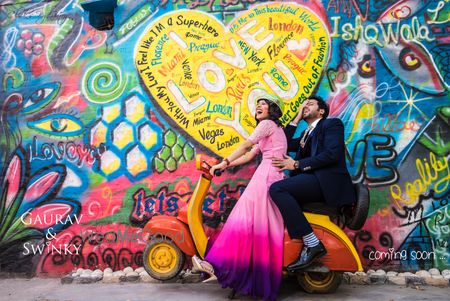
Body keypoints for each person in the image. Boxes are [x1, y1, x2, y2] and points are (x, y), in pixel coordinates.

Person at [192, 95, 287, 301]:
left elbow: (245, 146)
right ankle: (250, 275)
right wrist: (225, 165)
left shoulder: (267, 124)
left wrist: (222, 161)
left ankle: (220, 265)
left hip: (267, 175)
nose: (259, 107)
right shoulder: (271, 130)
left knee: (242, 220)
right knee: (260, 227)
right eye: (257, 105)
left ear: (272, 111)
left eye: (264, 104)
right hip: (271, 174)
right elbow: (249, 155)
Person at [269, 96, 356, 271]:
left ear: (321, 111)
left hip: (326, 182)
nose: (305, 106)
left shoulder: (331, 124)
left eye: (310, 104)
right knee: (275, 190)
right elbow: (281, 143)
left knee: (277, 189)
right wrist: (296, 119)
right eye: (304, 104)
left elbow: (332, 154)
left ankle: (312, 242)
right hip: (312, 181)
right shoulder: (306, 134)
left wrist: (296, 164)